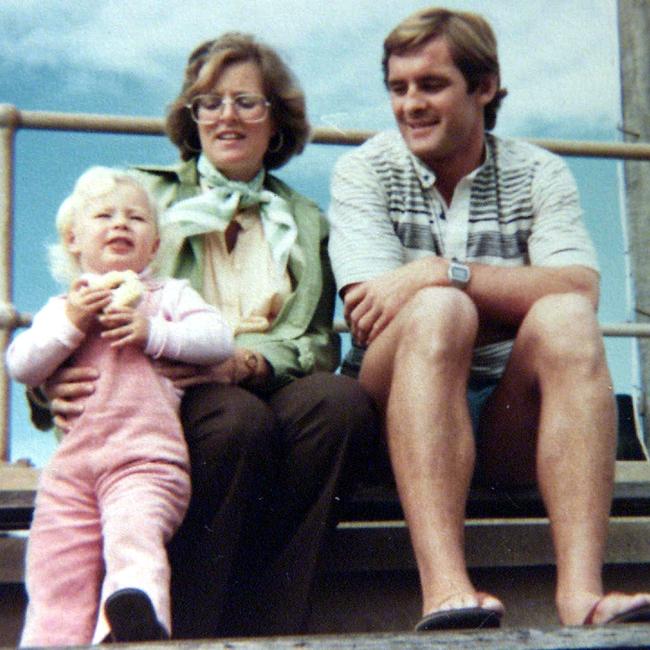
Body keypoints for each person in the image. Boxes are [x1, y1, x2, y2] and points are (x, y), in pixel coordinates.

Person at [37, 33, 378, 638]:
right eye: (210, 102)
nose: (227, 116)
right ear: (191, 119)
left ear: (276, 123)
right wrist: (48, 388)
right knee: (234, 421)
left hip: (261, 372)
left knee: (340, 405)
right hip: (166, 388)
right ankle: (189, 626)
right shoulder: (144, 195)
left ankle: (275, 625)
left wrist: (246, 362)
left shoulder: (305, 221)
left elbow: (315, 343)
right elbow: (73, 297)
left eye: (248, 102)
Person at [328, 6, 650, 631]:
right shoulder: (365, 169)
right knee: (439, 314)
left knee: (563, 321)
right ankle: (444, 588)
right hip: (393, 401)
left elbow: (578, 288)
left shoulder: (538, 171)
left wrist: (438, 269)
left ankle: (581, 596)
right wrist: (482, 294)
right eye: (398, 88)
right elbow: (370, 313)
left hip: (504, 414)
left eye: (431, 85)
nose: (411, 105)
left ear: (484, 86)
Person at [8, 167, 234, 646]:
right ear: (73, 239)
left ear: (154, 245)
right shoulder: (62, 307)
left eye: (136, 218)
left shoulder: (166, 296)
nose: (120, 224)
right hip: (71, 470)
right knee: (55, 566)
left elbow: (218, 341)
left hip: (144, 461)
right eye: (104, 216)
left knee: (134, 541)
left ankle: (129, 631)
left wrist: (154, 332)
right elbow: (22, 365)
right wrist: (72, 321)